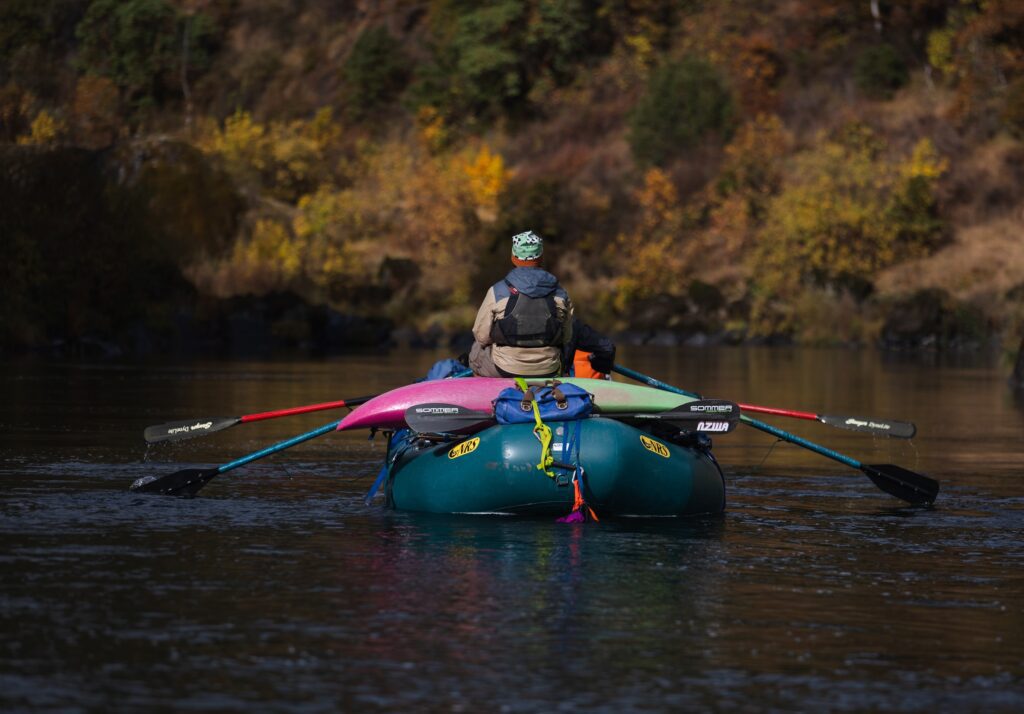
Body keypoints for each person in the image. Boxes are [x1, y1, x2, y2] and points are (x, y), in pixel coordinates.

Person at [469, 230, 574, 378]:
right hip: (548, 368)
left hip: (505, 368)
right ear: (541, 257)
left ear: (513, 257)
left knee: (476, 349)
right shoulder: (561, 293)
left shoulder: (497, 291)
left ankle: (486, 396)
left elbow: (481, 336)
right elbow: (566, 336)